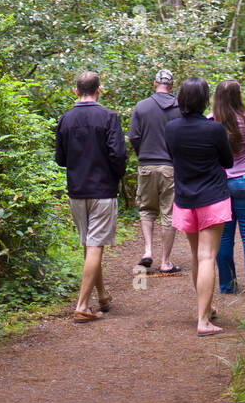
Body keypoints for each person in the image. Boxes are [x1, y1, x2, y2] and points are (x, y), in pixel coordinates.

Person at [55, 70, 128, 323]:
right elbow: (118, 154)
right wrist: (116, 177)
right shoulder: (108, 117)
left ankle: (102, 295)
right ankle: (82, 306)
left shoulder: (65, 119)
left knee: (90, 244)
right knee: (95, 245)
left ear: (76, 91)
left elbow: (60, 159)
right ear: (99, 90)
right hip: (102, 190)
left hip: (77, 190)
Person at [164, 76, 233, 336]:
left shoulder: (171, 128)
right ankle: (203, 321)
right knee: (207, 257)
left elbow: (173, 158)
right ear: (205, 101)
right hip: (212, 196)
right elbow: (227, 162)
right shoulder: (214, 129)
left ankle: (205, 308)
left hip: (185, 198)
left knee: (196, 256)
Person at [212, 79, 245, 298]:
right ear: (238, 96)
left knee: (224, 237)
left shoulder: (212, 122)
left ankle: (227, 285)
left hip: (222, 184)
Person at [129, 69, 181, 274]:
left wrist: (143, 153)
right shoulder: (180, 107)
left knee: (146, 209)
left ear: (154, 84)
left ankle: (148, 251)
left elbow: (133, 136)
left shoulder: (141, 106)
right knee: (169, 213)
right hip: (171, 166)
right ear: (172, 86)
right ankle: (165, 261)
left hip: (146, 165)